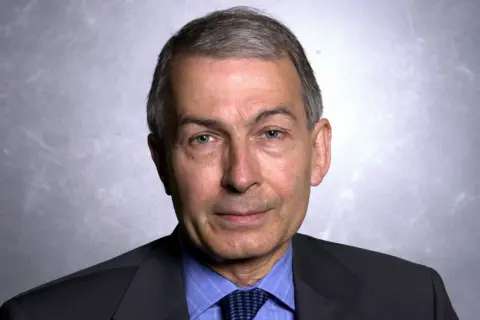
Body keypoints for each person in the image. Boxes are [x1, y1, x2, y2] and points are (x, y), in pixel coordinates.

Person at [0, 6, 458, 320]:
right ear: (162, 162)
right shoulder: (43, 316)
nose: (240, 176)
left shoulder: (415, 301)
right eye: (203, 138)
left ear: (318, 153)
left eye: (271, 133)